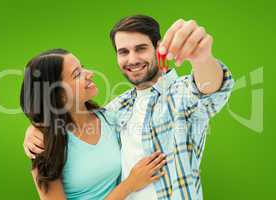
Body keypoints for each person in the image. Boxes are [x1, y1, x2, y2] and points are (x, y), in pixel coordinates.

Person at [24, 15, 234, 200]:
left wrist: (203, 58)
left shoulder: (181, 95)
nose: (132, 59)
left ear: (158, 48)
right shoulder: (117, 109)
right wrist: (37, 128)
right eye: (123, 51)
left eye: (141, 48)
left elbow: (210, 91)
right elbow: (71, 119)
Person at [20, 48, 167, 200]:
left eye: (82, 67)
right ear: (58, 94)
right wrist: (130, 184)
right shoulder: (44, 146)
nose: (90, 74)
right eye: (77, 74)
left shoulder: (110, 118)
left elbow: (150, 96)